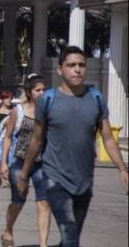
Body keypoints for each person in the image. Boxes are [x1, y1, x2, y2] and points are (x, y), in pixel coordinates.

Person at [17, 46, 128, 247]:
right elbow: (37, 139)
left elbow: (108, 138)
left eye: (81, 65)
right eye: (71, 65)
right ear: (60, 69)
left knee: (71, 235)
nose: (77, 69)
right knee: (70, 234)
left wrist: (122, 168)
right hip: (55, 177)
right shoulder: (47, 100)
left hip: (84, 180)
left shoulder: (96, 98)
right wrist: (24, 173)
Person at [0, 74, 51, 247]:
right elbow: (7, 137)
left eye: (44, 89)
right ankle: (8, 229)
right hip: (20, 164)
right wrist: (4, 163)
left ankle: (43, 244)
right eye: (38, 90)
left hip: (41, 164)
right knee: (18, 202)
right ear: (29, 92)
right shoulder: (18, 111)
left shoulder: (48, 112)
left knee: (43, 202)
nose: (42, 93)